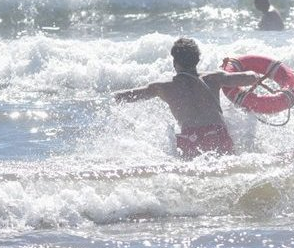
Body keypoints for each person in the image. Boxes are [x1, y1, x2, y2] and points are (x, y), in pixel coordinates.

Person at [112, 37, 263, 158]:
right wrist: (257, 74)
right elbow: (248, 78)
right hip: (216, 134)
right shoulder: (213, 78)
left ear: (174, 62)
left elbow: (129, 95)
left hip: (189, 138)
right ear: (197, 60)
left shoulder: (163, 87)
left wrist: (112, 97)